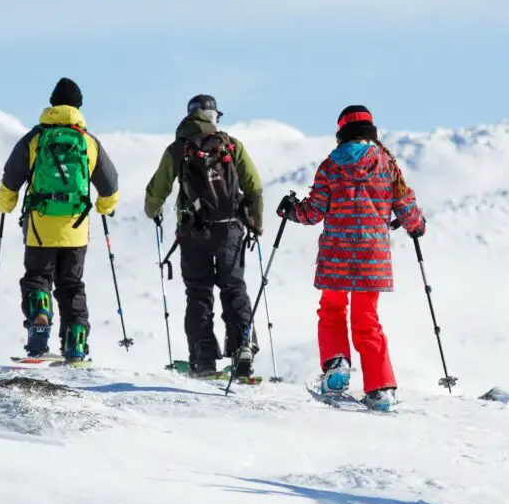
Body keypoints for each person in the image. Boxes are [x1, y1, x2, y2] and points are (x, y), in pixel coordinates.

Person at [276, 105, 426, 411]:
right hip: (373, 257)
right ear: (370, 132)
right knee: (367, 319)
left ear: (341, 133)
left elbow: (314, 211)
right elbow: (406, 204)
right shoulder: (386, 165)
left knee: (331, 309)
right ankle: (381, 388)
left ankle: (337, 366)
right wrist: (415, 225)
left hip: (336, 254)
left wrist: (290, 210)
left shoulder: (330, 166)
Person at [0, 77, 120, 361]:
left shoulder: (34, 139)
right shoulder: (88, 142)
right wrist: (104, 207)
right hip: (76, 228)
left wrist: (4, 205)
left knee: (38, 277)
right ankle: (75, 342)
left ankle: (39, 315)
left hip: (40, 226)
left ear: (51, 103)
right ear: (79, 106)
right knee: (71, 285)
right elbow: (110, 185)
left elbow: (11, 180)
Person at [144, 95, 264, 378]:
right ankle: (242, 346)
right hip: (231, 229)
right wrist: (256, 223)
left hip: (193, 232)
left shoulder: (178, 148)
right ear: (213, 117)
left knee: (198, 293)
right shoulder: (231, 145)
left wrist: (153, 212)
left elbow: (157, 192)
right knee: (234, 288)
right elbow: (254, 187)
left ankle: (203, 357)